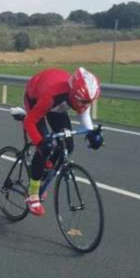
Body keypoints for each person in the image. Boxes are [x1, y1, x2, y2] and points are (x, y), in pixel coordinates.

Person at [23, 66, 103, 216]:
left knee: (68, 145)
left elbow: (83, 114)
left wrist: (92, 134)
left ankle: (45, 173)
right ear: (74, 94)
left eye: (89, 102)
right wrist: (40, 142)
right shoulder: (53, 96)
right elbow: (29, 122)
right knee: (44, 147)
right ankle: (32, 193)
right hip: (36, 99)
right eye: (83, 102)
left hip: (57, 106)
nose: (85, 106)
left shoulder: (80, 95)